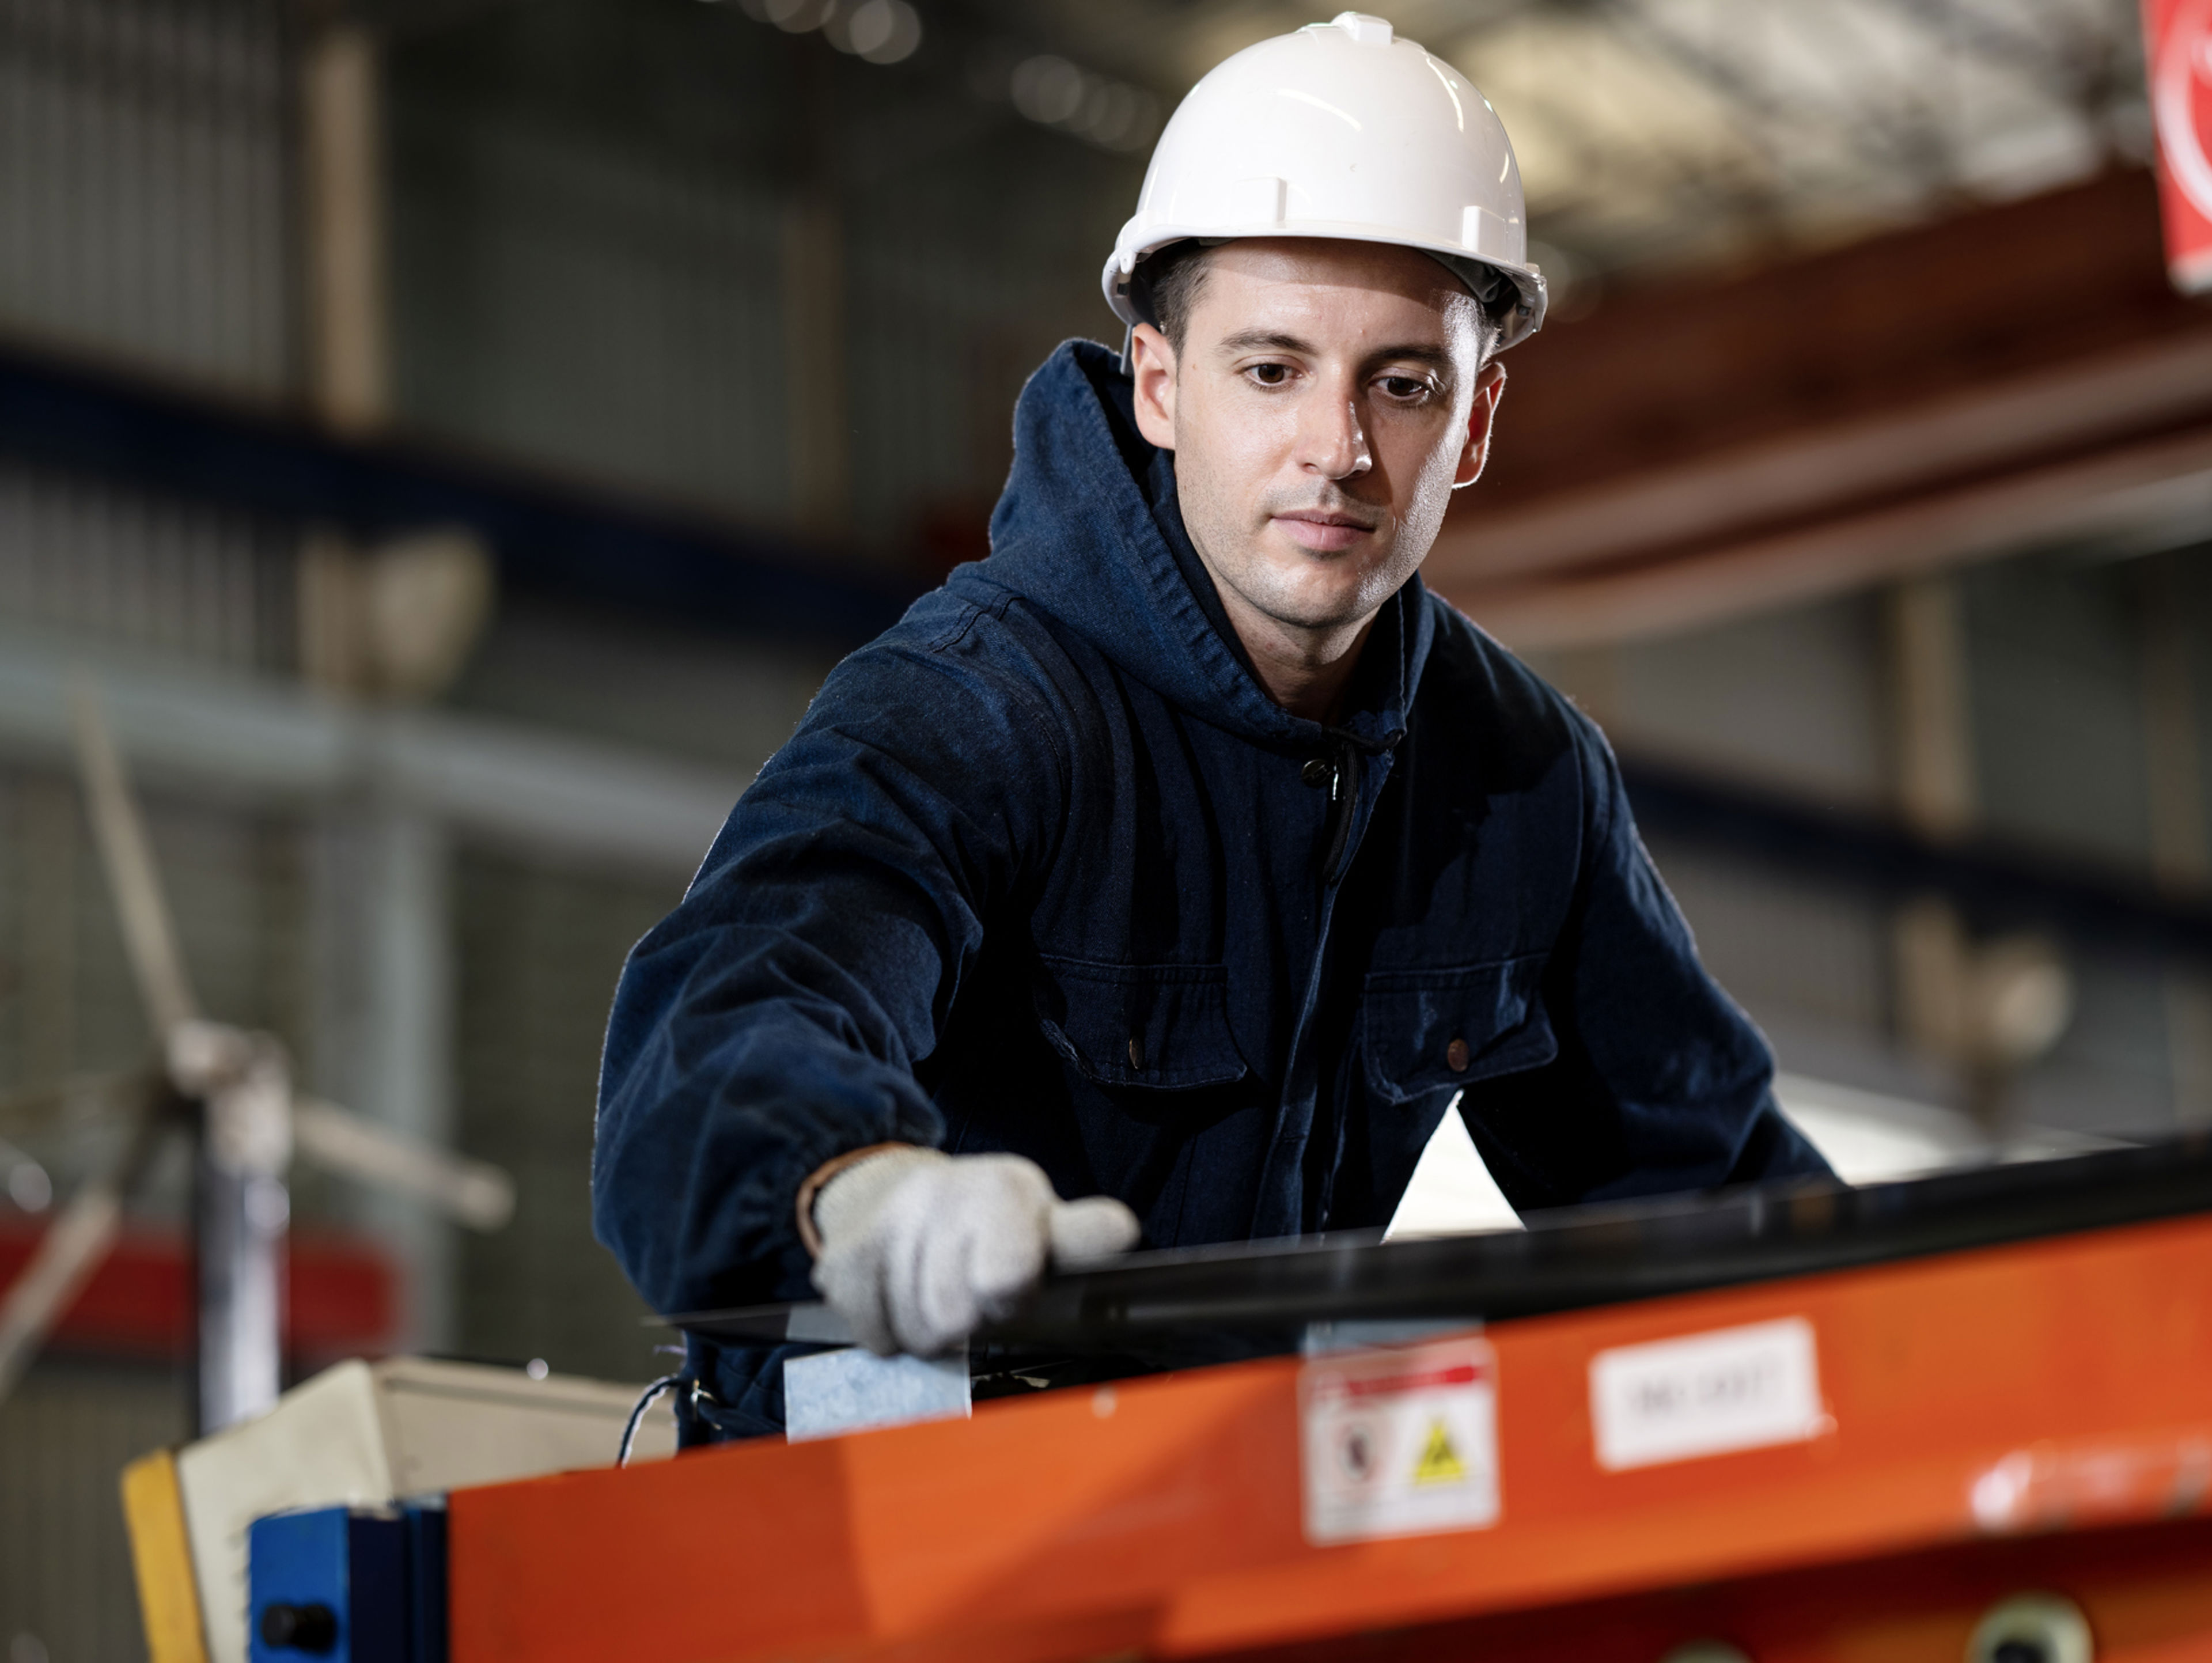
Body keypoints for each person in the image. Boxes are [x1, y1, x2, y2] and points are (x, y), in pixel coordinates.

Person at [593, 11, 1832, 1443]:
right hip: (881, 1507)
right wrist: (861, 1199)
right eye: (1270, 368)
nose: (1339, 449)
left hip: (1247, 1510)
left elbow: (1706, 1186)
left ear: (1478, 420)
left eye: (1403, 382)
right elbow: (723, 1025)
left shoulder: (1518, 778)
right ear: (1161, 384)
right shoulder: (981, 706)